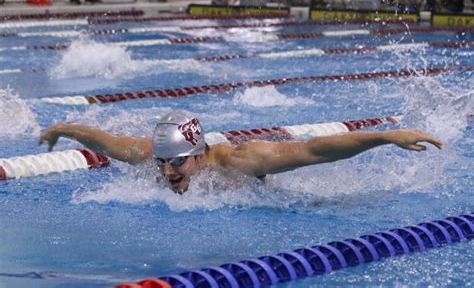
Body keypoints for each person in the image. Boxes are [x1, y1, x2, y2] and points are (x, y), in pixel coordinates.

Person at [39, 110, 443, 194]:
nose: (166, 173)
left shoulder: (241, 159)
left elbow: (316, 150)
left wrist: (388, 136)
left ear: (199, 153)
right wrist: (62, 129)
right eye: (162, 163)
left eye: (176, 163)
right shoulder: (151, 155)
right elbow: (103, 140)